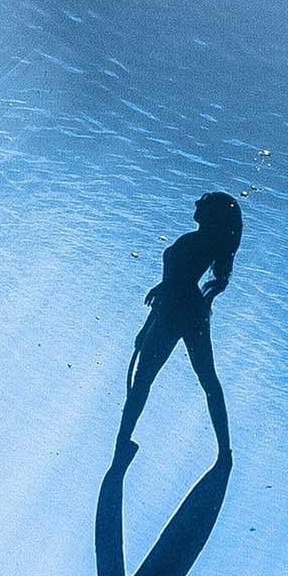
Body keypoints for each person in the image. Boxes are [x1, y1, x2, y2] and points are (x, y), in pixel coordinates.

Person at [115, 191, 242, 470]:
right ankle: (224, 452)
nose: (196, 203)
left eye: (203, 203)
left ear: (212, 215)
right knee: (203, 379)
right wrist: (147, 324)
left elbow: (179, 280)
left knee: (147, 379)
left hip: (176, 311)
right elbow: (173, 281)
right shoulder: (198, 240)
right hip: (180, 311)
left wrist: (156, 306)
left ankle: (122, 442)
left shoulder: (202, 241)